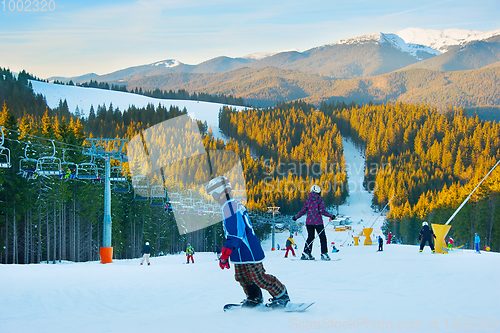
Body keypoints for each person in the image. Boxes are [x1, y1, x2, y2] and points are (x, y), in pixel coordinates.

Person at [205, 176, 289, 308]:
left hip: (248, 249)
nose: (214, 199)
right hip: (239, 251)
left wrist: (225, 253)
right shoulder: (231, 205)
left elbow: (236, 233)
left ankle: (281, 295)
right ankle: (254, 297)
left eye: (214, 195)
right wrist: (229, 252)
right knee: (242, 277)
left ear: (219, 192)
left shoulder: (230, 206)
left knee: (259, 277)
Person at [292, 185, 335, 261]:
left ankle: (306, 252)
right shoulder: (320, 201)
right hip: (318, 222)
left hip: (309, 223)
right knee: (322, 237)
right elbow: (322, 211)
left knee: (310, 237)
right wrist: (331, 216)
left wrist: (296, 217)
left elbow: (303, 211)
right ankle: (324, 253)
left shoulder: (308, 201)